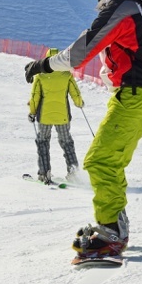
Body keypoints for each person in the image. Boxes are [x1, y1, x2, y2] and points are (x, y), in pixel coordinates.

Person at [23, 0, 142, 261]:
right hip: (139, 94)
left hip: (134, 94)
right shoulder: (138, 5)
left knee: (100, 162)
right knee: (110, 161)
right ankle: (116, 224)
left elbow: (79, 53)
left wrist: (42, 66)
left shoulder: (121, 8)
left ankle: (110, 230)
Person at [27, 47, 84, 183]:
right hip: (62, 117)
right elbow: (75, 92)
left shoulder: (40, 76)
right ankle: (74, 174)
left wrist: (32, 112)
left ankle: (44, 173)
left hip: (44, 117)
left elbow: (35, 96)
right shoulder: (66, 75)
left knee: (43, 143)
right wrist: (79, 103)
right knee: (67, 143)